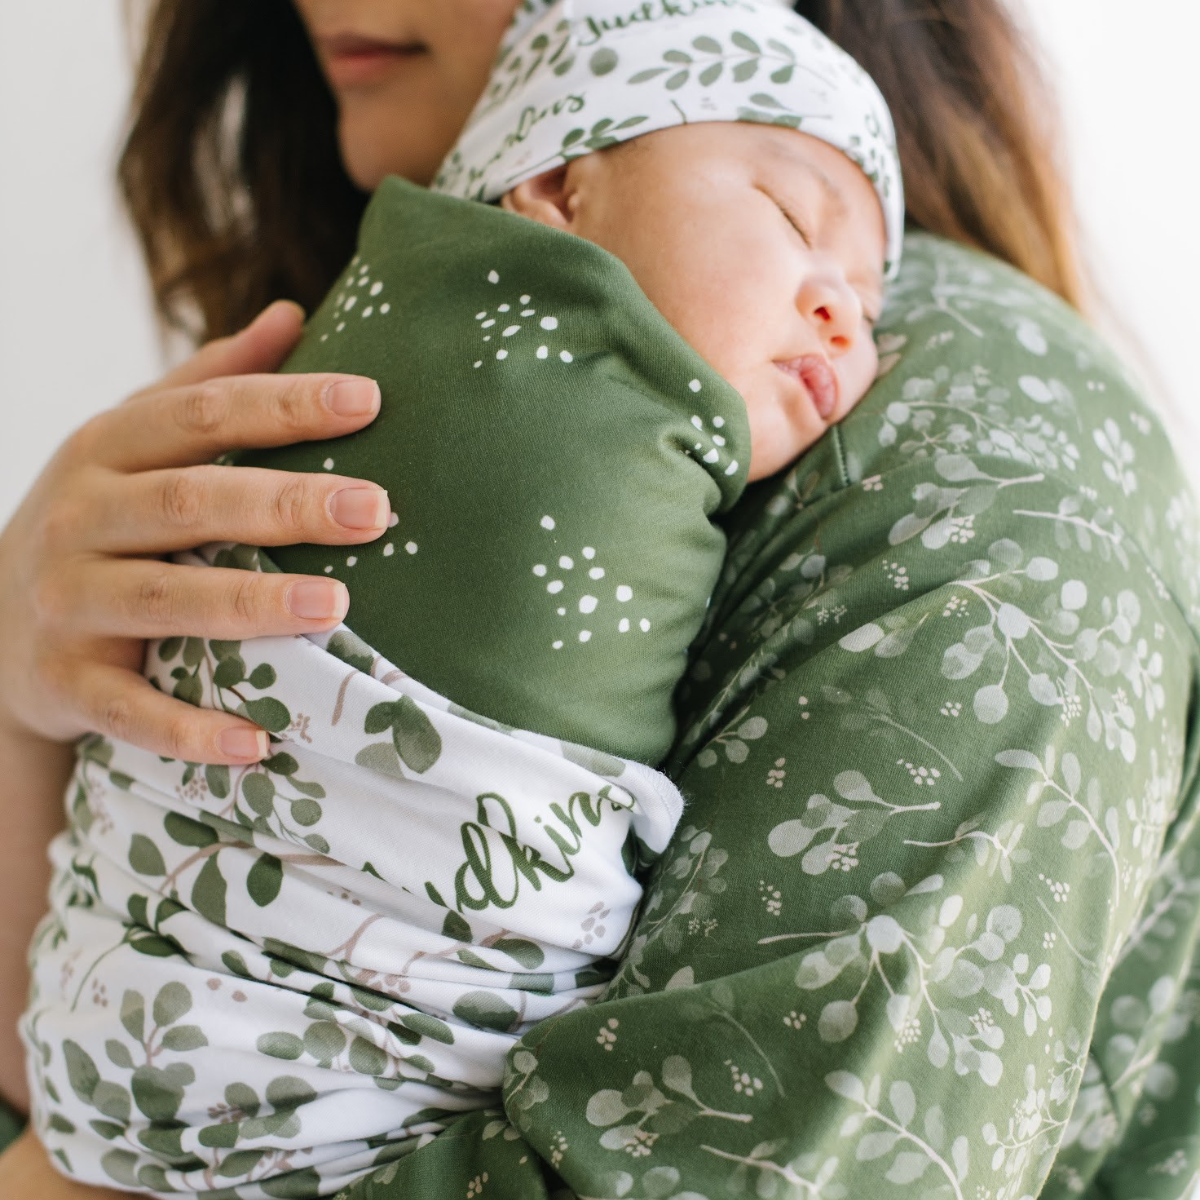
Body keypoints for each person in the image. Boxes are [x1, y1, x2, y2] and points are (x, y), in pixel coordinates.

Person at [4, 3, 1198, 1199]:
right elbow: (76, 1065)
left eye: (837, 263)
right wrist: (25, 685)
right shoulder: (425, 362)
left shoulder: (972, 508)